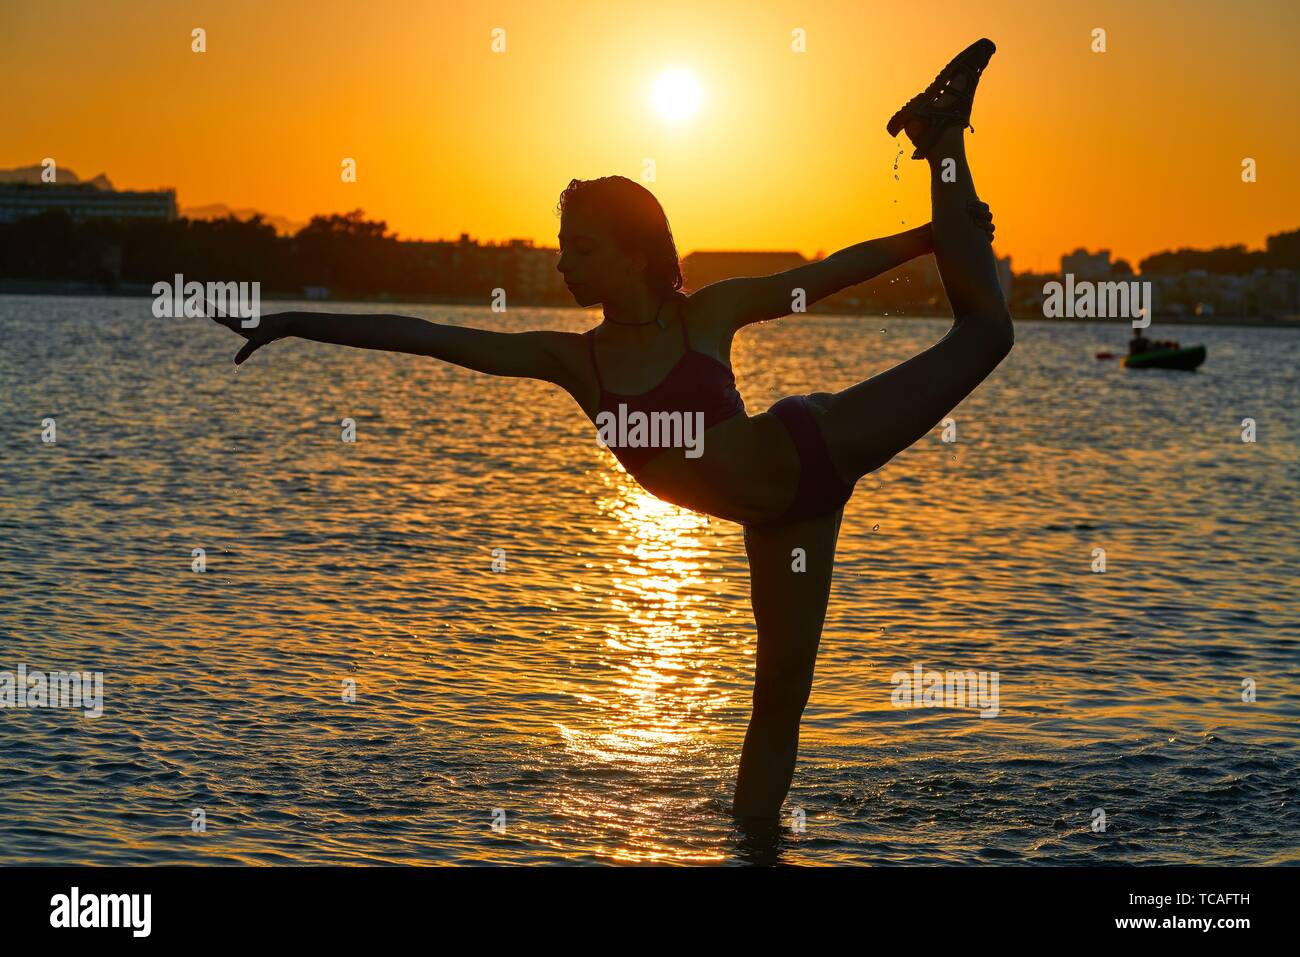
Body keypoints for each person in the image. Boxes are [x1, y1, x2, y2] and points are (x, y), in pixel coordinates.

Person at [212, 38, 1013, 822]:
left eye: (581, 248)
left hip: (818, 444)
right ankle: (755, 847)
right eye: (563, 248)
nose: (564, 264)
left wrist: (932, 236)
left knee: (988, 335)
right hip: (782, 518)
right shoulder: (575, 361)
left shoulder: (708, 314)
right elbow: (425, 334)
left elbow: (827, 274)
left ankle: (941, 136)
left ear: (635, 253)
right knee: (776, 709)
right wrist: (289, 322)